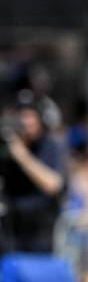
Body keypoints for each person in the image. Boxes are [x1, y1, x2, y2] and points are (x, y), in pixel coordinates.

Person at [0, 98, 67, 253]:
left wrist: (22, 156)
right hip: (12, 233)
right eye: (21, 116)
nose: (25, 122)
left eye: (30, 116)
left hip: (42, 235)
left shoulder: (50, 145)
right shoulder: (5, 146)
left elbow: (53, 184)